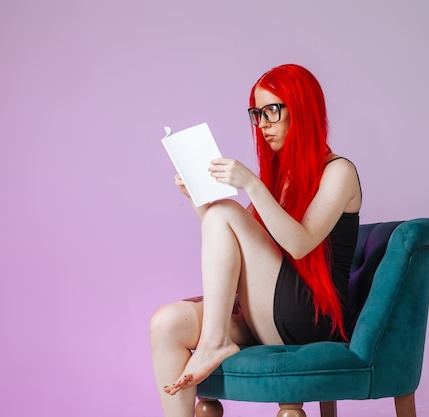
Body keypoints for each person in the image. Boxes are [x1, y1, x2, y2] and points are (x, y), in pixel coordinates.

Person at [149, 63, 362, 417]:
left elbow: (300, 244)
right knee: (166, 322)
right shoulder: (282, 177)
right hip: (266, 311)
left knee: (226, 210)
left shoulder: (339, 171)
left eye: (272, 111)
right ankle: (213, 343)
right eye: (256, 114)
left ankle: (215, 342)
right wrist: (196, 197)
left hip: (309, 318)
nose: (262, 124)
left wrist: (251, 184)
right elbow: (228, 239)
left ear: (303, 110)